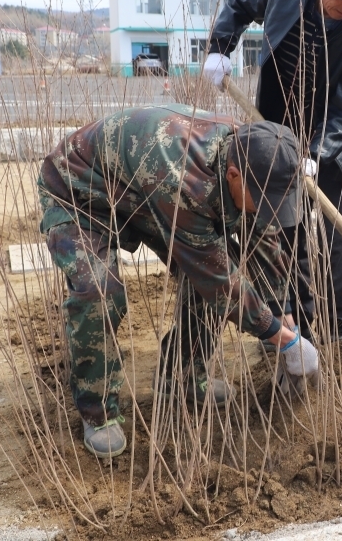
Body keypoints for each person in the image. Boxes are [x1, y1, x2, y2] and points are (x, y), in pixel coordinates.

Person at [38, 106, 319, 458]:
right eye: (262, 200)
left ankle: (181, 377)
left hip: (140, 190)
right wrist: (279, 336)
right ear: (233, 175)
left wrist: (285, 314)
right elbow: (217, 280)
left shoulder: (253, 155)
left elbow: (264, 234)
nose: (266, 208)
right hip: (80, 192)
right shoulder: (186, 181)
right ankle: (98, 412)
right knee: (100, 292)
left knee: (208, 276)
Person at [204, 0, 342, 342]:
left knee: (329, 229)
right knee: (272, 224)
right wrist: (220, 46)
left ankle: (332, 327)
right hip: (275, 125)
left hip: (339, 139)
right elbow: (239, 6)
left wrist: (316, 152)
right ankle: (281, 325)